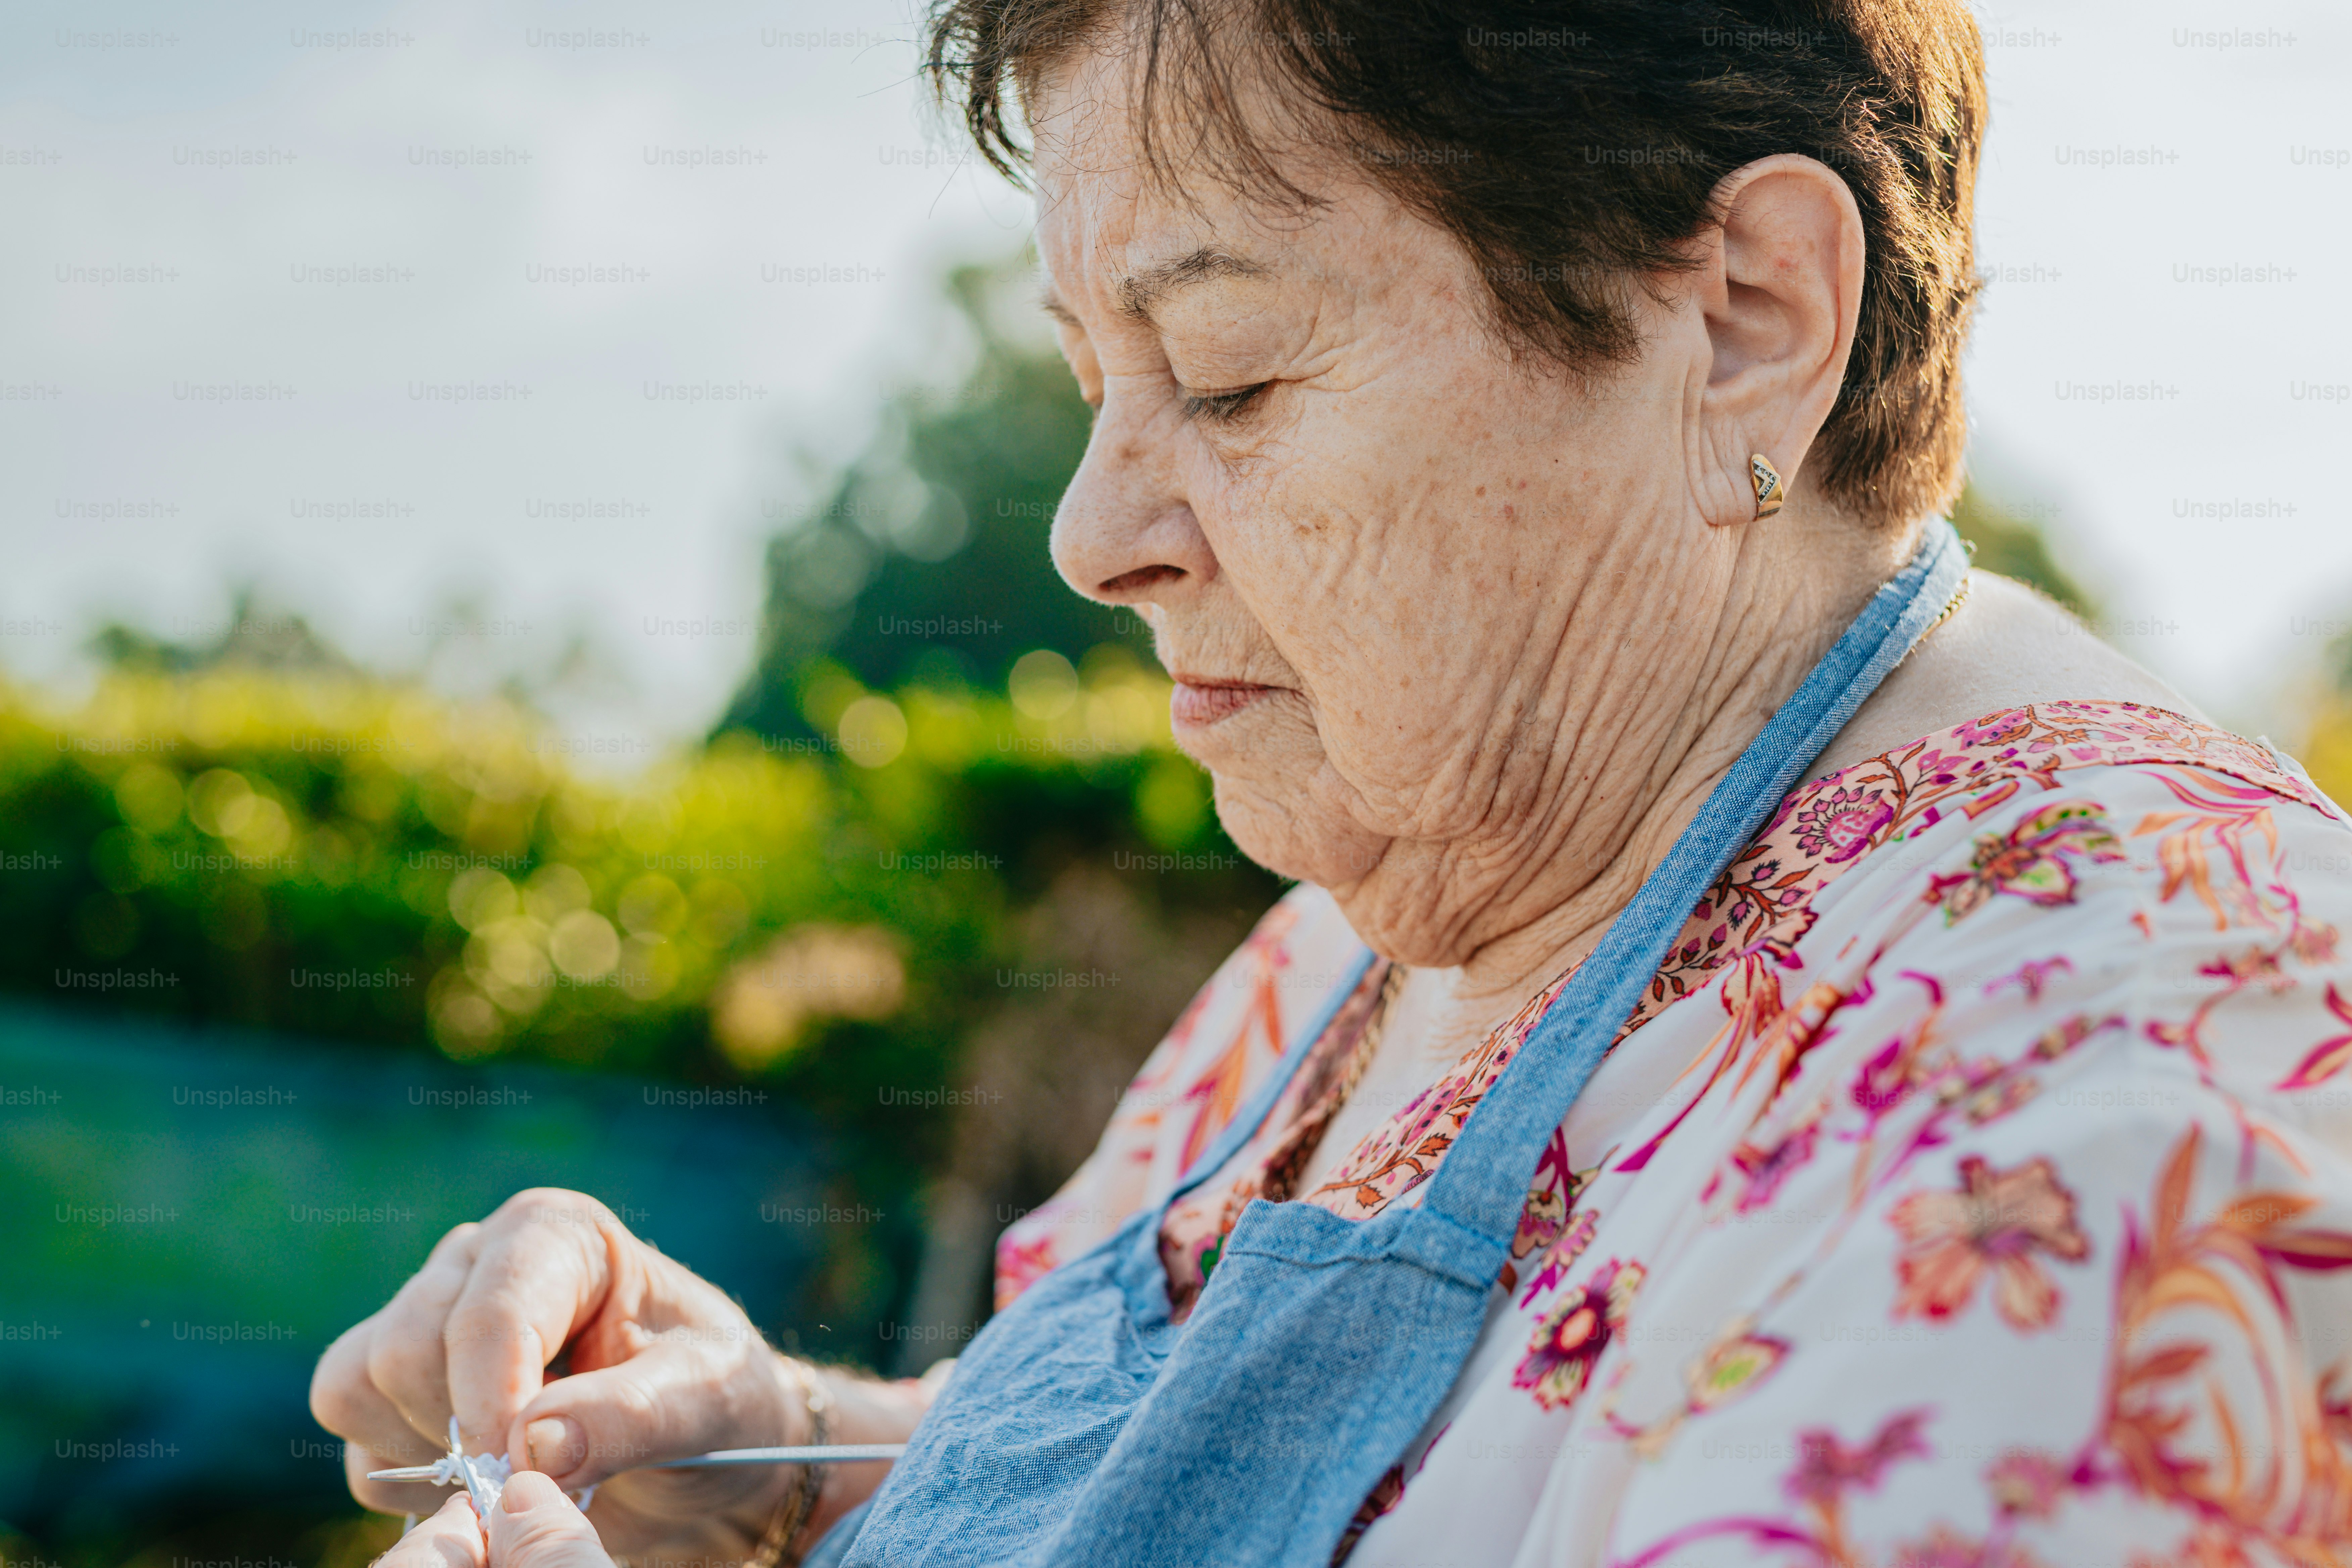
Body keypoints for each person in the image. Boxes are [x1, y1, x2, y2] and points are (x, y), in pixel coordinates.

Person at [336, 1, 2352, 1563]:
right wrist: (790, 1455)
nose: (1089, 530)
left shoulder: (2124, 1098)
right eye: (1088, 381)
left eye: (1226, 375)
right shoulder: (1369, 937)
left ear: (1747, 318)